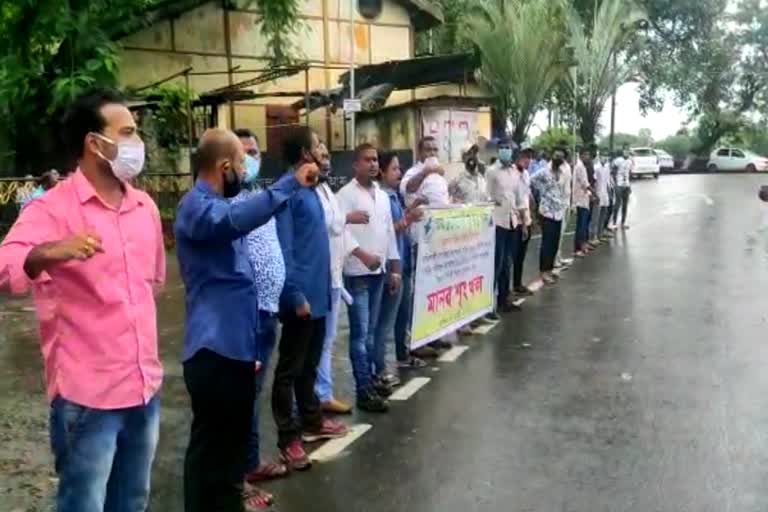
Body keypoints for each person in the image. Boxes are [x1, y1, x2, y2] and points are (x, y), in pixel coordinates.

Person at [0, 89, 165, 512]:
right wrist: (47, 252)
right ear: (95, 143)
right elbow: (6, 262)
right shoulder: (52, 209)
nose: (137, 143)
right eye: (127, 133)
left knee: (132, 499)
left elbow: (152, 284)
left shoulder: (144, 206)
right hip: (87, 398)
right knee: (83, 503)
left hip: (143, 388)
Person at [176, 128, 321, 512]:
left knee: (229, 455)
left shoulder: (223, 205)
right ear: (224, 167)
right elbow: (236, 218)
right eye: (242, 163)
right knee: (212, 454)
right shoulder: (197, 206)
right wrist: (289, 184)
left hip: (238, 347)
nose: (245, 171)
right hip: (214, 350)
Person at [272, 127, 348, 472]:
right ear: (305, 153)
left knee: (309, 365)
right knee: (289, 370)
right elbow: (284, 249)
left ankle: (312, 422)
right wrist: (296, 294)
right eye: (318, 145)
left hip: (321, 292)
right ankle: (288, 438)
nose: (323, 149)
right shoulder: (289, 194)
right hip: (300, 296)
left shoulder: (314, 189)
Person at [228, 129, 290, 499]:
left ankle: (249, 462)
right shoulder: (227, 205)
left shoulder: (257, 199)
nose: (250, 159)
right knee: (239, 398)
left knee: (252, 395)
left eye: (254, 152)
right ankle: (236, 480)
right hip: (246, 317)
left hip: (268, 313)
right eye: (242, 153)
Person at [337, 144, 402, 411]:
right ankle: (363, 390)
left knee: (372, 334)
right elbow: (339, 231)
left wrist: (395, 268)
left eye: (376, 159)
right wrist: (362, 255)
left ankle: (372, 379)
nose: (373, 164)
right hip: (357, 274)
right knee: (360, 335)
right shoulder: (345, 195)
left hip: (379, 273)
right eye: (367, 160)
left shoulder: (382, 196)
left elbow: (389, 234)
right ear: (355, 165)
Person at [314, 142, 368, 415]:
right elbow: (332, 223)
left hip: (334, 278)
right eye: (320, 156)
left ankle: (323, 393)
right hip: (317, 280)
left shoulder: (327, 191)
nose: (325, 161)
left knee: (327, 340)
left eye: (327, 156)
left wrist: (363, 254)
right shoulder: (309, 192)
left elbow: (340, 232)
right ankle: (315, 400)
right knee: (316, 343)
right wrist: (347, 217)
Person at [374, 152, 427, 379]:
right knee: (384, 322)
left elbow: (398, 224)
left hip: (403, 263)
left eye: (399, 168)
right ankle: (380, 368)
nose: (399, 172)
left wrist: (410, 211)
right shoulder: (381, 198)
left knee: (402, 313)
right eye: (394, 169)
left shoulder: (393, 196)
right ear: (382, 172)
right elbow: (385, 231)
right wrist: (408, 220)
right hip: (391, 266)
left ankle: (402, 354)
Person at [400, 136, 452, 353]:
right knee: (418, 291)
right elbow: (407, 189)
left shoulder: (440, 177)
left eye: (434, 149)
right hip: (420, 241)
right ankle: (415, 340)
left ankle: (432, 334)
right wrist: (426, 172)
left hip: (439, 241)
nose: (432, 153)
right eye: (427, 149)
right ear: (419, 152)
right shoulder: (414, 173)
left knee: (435, 290)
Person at [485, 139, 524, 316]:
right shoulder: (492, 172)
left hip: (512, 221)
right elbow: (485, 195)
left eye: (508, 148)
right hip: (497, 222)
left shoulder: (515, 172)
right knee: (497, 263)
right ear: (498, 151)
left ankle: (504, 299)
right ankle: (488, 305)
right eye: (502, 148)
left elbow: (518, 197)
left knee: (507, 262)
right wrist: (493, 202)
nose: (505, 151)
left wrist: (523, 221)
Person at [531, 147, 567, 285]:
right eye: (556, 154)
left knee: (554, 243)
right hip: (546, 212)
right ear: (552, 156)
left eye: (561, 156)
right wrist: (542, 193)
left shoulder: (562, 172)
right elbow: (532, 181)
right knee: (546, 243)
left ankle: (550, 270)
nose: (559, 157)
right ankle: (543, 272)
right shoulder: (543, 172)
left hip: (558, 212)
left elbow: (561, 190)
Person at [511, 148, 534, 297]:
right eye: (525, 157)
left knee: (521, 256)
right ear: (517, 158)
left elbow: (526, 196)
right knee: (511, 256)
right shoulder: (511, 174)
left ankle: (518, 284)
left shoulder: (526, 174)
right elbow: (517, 201)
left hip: (526, 218)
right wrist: (524, 225)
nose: (527, 160)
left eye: (529, 158)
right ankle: (507, 288)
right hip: (515, 221)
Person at [573, 147, 593, 257]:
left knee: (584, 224)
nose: (588, 157)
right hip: (580, 200)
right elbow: (585, 184)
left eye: (588, 155)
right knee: (580, 225)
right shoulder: (580, 167)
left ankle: (583, 245)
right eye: (585, 155)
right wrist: (595, 194)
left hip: (584, 199)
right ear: (581, 155)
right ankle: (577, 248)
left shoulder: (583, 167)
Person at [612, 146, 633, 229]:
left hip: (626, 185)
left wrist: (629, 185)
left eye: (628, 150)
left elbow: (629, 173)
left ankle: (623, 223)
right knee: (617, 203)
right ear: (623, 151)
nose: (626, 152)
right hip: (619, 184)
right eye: (625, 150)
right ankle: (614, 223)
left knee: (625, 205)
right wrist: (615, 182)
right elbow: (613, 171)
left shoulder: (630, 161)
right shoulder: (618, 161)